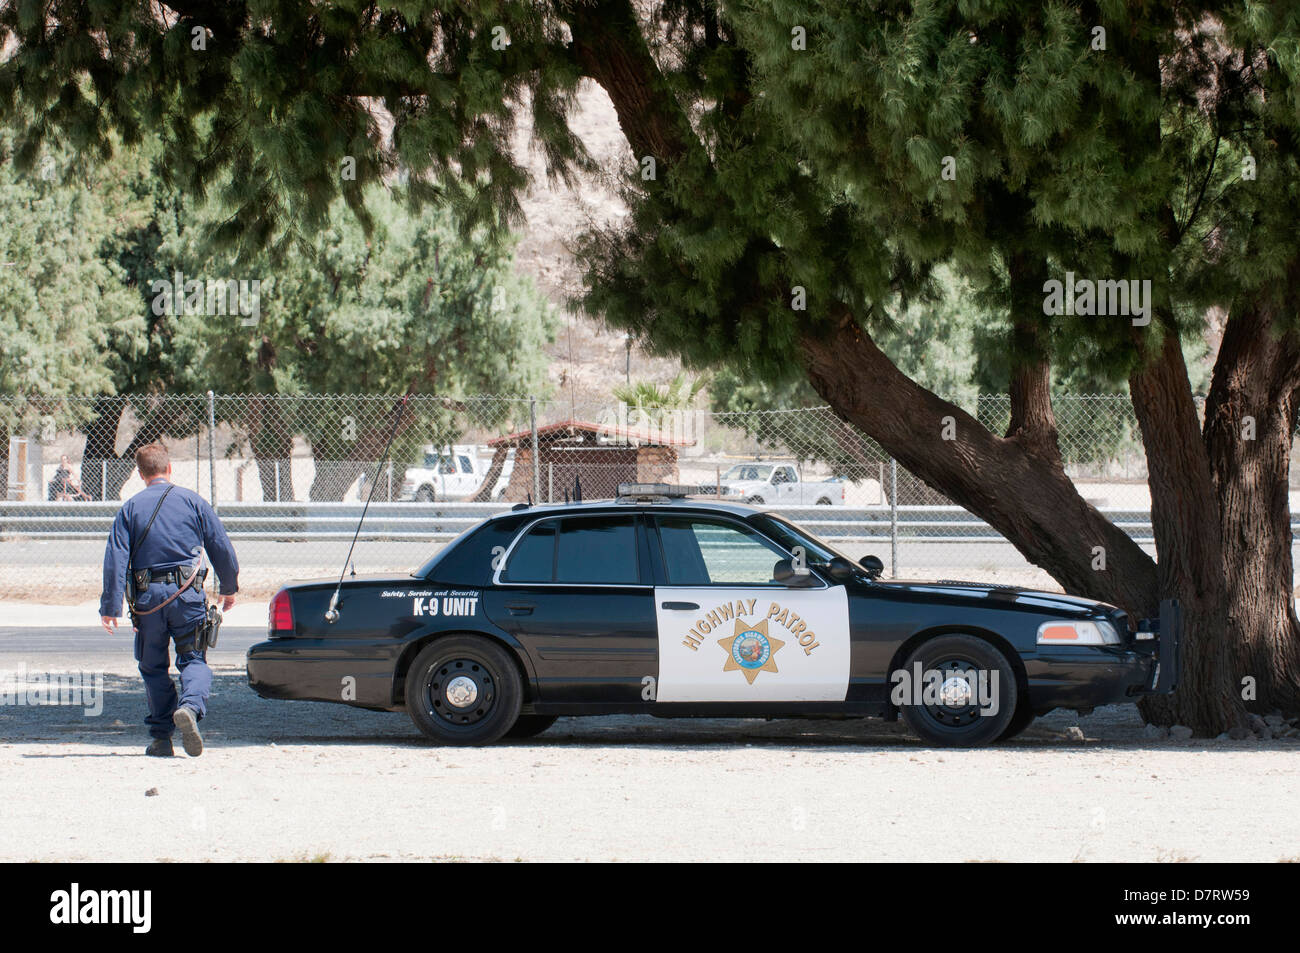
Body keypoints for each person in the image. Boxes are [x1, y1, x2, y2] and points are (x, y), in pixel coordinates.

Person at [99, 443, 239, 758]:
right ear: (170, 467)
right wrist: (229, 586)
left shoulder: (130, 508)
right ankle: (190, 707)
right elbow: (220, 544)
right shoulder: (193, 501)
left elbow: (115, 560)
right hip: (187, 596)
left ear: (140, 473)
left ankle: (162, 739)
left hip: (148, 601)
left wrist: (110, 607)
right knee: (193, 660)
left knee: (153, 668)